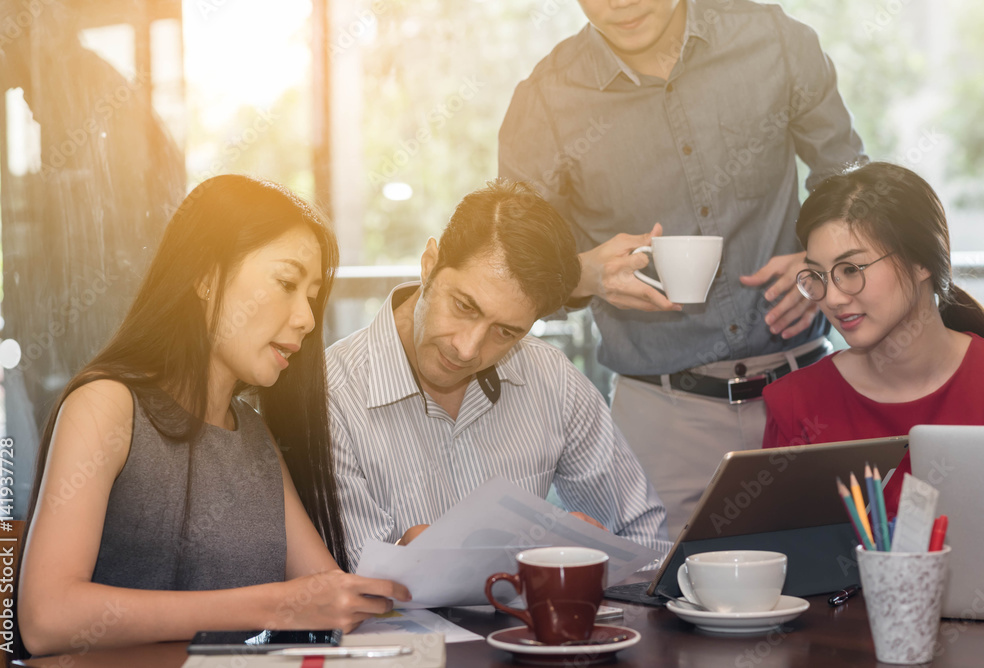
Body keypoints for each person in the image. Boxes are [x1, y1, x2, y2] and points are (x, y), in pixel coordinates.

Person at [499, 0, 866, 536]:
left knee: (834, 596)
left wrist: (822, 261)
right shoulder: (546, 101)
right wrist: (584, 276)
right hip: (658, 422)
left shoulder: (775, 40)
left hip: (808, 392)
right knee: (650, 604)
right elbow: (514, 259)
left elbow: (849, 176)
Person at [16, 175, 409, 657]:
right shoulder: (106, 406)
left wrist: (411, 567)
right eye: (287, 282)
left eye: (311, 295)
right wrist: (271, 607)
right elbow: (46, 617)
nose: (307, 318)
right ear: (204, 275)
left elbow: (323, 593)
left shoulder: (253, 433)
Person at [327, 179, 670, 572]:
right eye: (464, 306)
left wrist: (585, 558)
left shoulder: (550, 378)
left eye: (505, 332)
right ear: (429, 265)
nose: (468, 348)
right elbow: (348, 584)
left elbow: (646, 541)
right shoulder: (332, 396)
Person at [762, 162, 984, 517]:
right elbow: (792, 555)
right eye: (818, 275)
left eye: (851, 270)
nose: (831, 298)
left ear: (921, 261)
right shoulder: (797, 405)